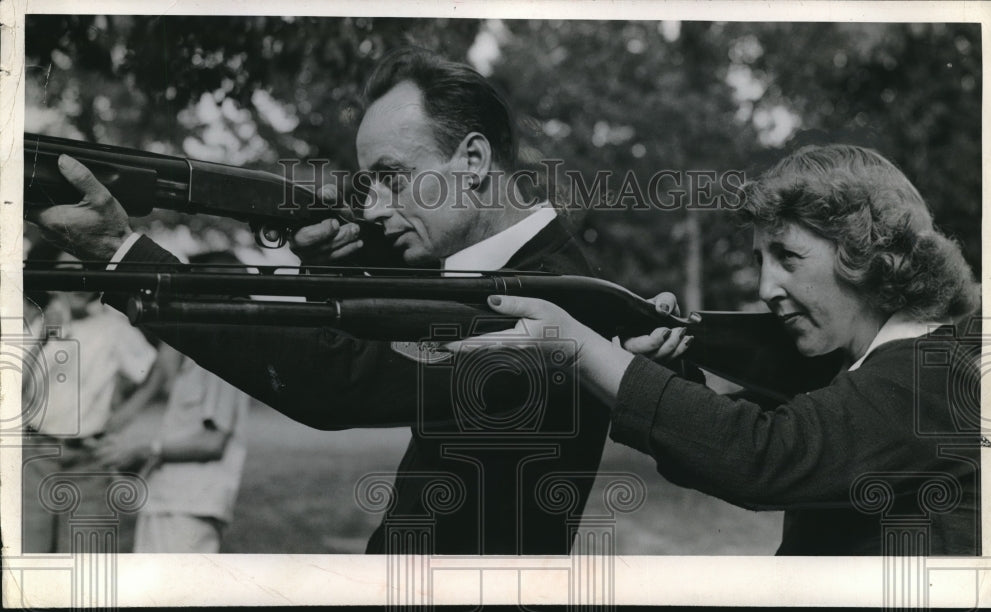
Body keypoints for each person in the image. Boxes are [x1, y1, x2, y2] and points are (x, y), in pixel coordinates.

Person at [28, 48, 611, 554]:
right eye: (369, 184)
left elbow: (339, 380)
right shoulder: (505, 271)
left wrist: (123, 254)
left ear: (474, 160)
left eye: (393, 176)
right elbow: (395, 329)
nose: (376, 208)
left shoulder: (550, 296)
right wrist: (329, 267)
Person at [452, 144, 982, 555]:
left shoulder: (930, 375)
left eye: (788, 257)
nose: (765, 288)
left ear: (865, 253)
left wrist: (576, 344)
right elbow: (726, 447)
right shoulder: (879, 369)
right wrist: (675, 373)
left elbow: (760, 456)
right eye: (759, 261)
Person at [90, 251, 252, 554]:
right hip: (169, 501)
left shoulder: (223, 363)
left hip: (191, 507)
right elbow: (161, 376)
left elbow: (212, 442)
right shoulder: (196, 360)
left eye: (190, 291)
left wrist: (143, 449)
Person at [21, 246, 159, 553]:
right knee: (31, 554)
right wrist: (44, 337)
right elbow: (16, 385)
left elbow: (153, 372)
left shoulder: (114, 328)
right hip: (36, 456)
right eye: (69, 275)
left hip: (88, 461)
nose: (80, 284)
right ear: (51, 280)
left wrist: (123, 415)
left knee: (84, 559)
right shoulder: (39, 325)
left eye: (88, 274)